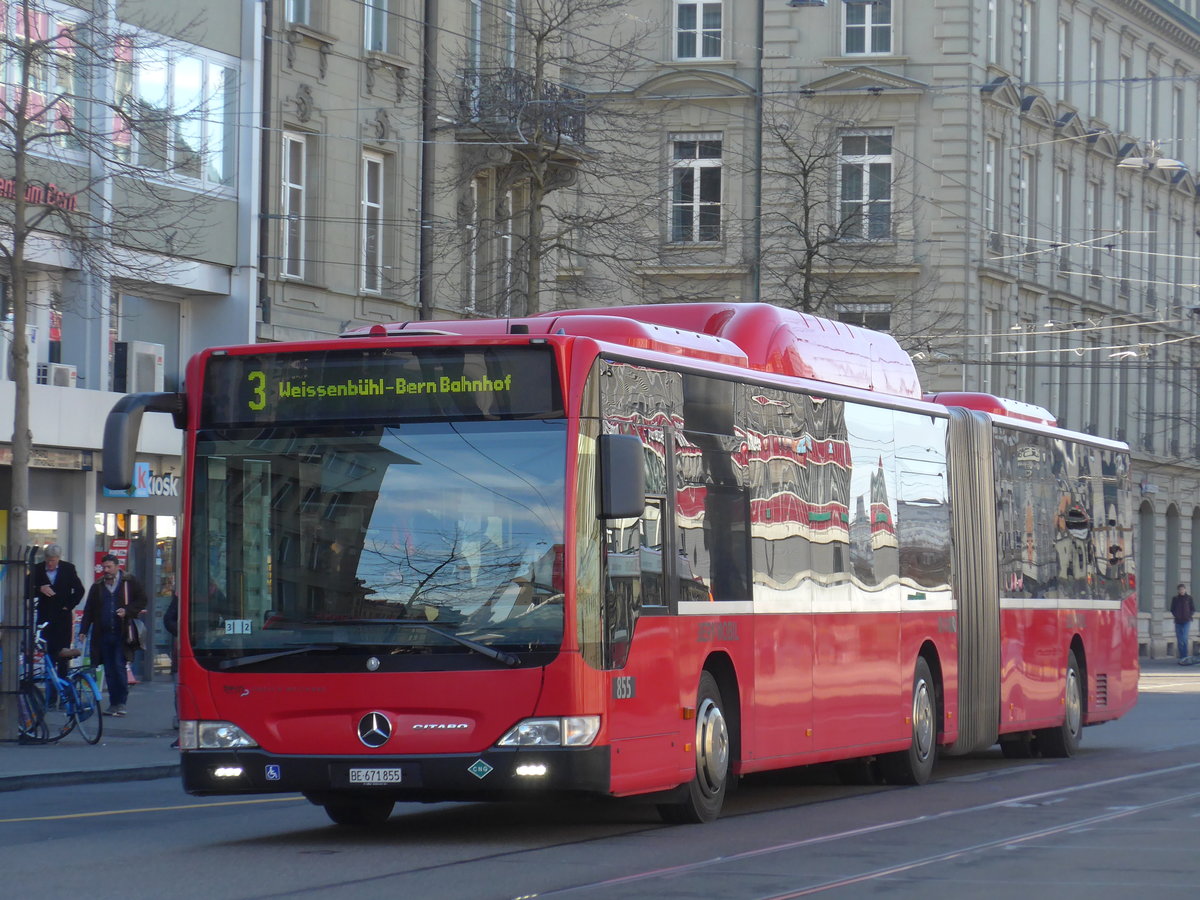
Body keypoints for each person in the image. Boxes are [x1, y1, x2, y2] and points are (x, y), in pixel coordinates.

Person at [79, 554, 148, 716]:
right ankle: (113, 703)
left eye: (109, 567)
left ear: (117, 566)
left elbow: (142, 599)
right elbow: (89, 609)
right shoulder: (98, 586)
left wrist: (128, 611)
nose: (106, 570)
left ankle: (121, 702)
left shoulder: (129, 582)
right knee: (109, 669)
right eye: (104, 567)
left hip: (122, 633)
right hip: (103, 634)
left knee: (118, 666)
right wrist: (83, 630)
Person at [29, 544, 86, 678]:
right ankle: (52, 691)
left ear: (58, 559)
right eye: (48, 560)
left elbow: (79, 590)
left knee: (62, 655)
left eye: (53, 560)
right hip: (45, 617)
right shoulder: (38, 569)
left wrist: (68, 605)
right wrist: (39, 589)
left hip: (62, 618)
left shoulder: (68, 569)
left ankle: (64, 687)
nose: (50, 563)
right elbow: (26, 590)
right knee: (49, 654)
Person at [1170, 583, 1195, 664]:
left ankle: (1185, 656)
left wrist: (1189, 615)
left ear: (1185, 590)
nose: (1181, 591)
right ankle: (1182, 656)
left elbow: (1193, 609)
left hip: (1186, 621)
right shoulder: (1175, 599)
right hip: (1178, 621)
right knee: (1180, 639)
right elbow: (1172, 609)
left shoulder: (1189, 598)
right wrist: (1176, 615)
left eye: (1182, 589)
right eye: (1180, 589)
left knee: (1184, 638)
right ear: (1178, 590)